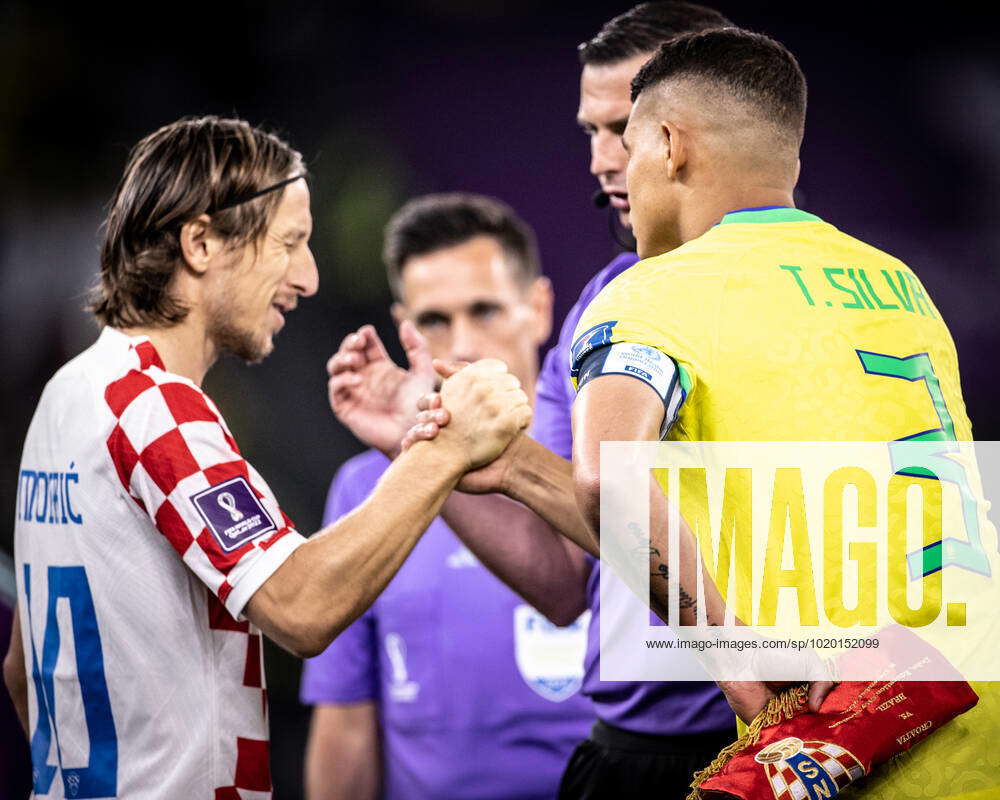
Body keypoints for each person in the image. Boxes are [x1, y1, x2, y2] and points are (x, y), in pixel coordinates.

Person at [3, 116, 531, 799]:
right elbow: (303, 607)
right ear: (199, 242)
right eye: (289, 244)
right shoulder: (156, 410)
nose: (307, 277)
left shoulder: (67, 396)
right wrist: (445, 451)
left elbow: (22, 669)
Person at [567, 27, 998, 799]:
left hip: (848, 748)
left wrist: (738, 674)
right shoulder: (898, 282)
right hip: (980, 715)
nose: (616, 175)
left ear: (669, 144)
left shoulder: (651, 293)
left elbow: (606, 479)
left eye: (626, 146)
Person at [324, 5, 740, 799]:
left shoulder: (806, 286)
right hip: (636, 748)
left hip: (798, 728)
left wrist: (503, 459)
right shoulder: (597, 310)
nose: (599, 160)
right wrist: (426, 442)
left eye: (622, 128)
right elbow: (559, 583)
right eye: (589, 131)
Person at [300, 194, 594, 800]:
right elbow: (347, 727)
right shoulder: (366, 487)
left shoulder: (600, 471)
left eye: (485, 309)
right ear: (403, 322)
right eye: (434, 320)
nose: (464, 341)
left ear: (539, 309)